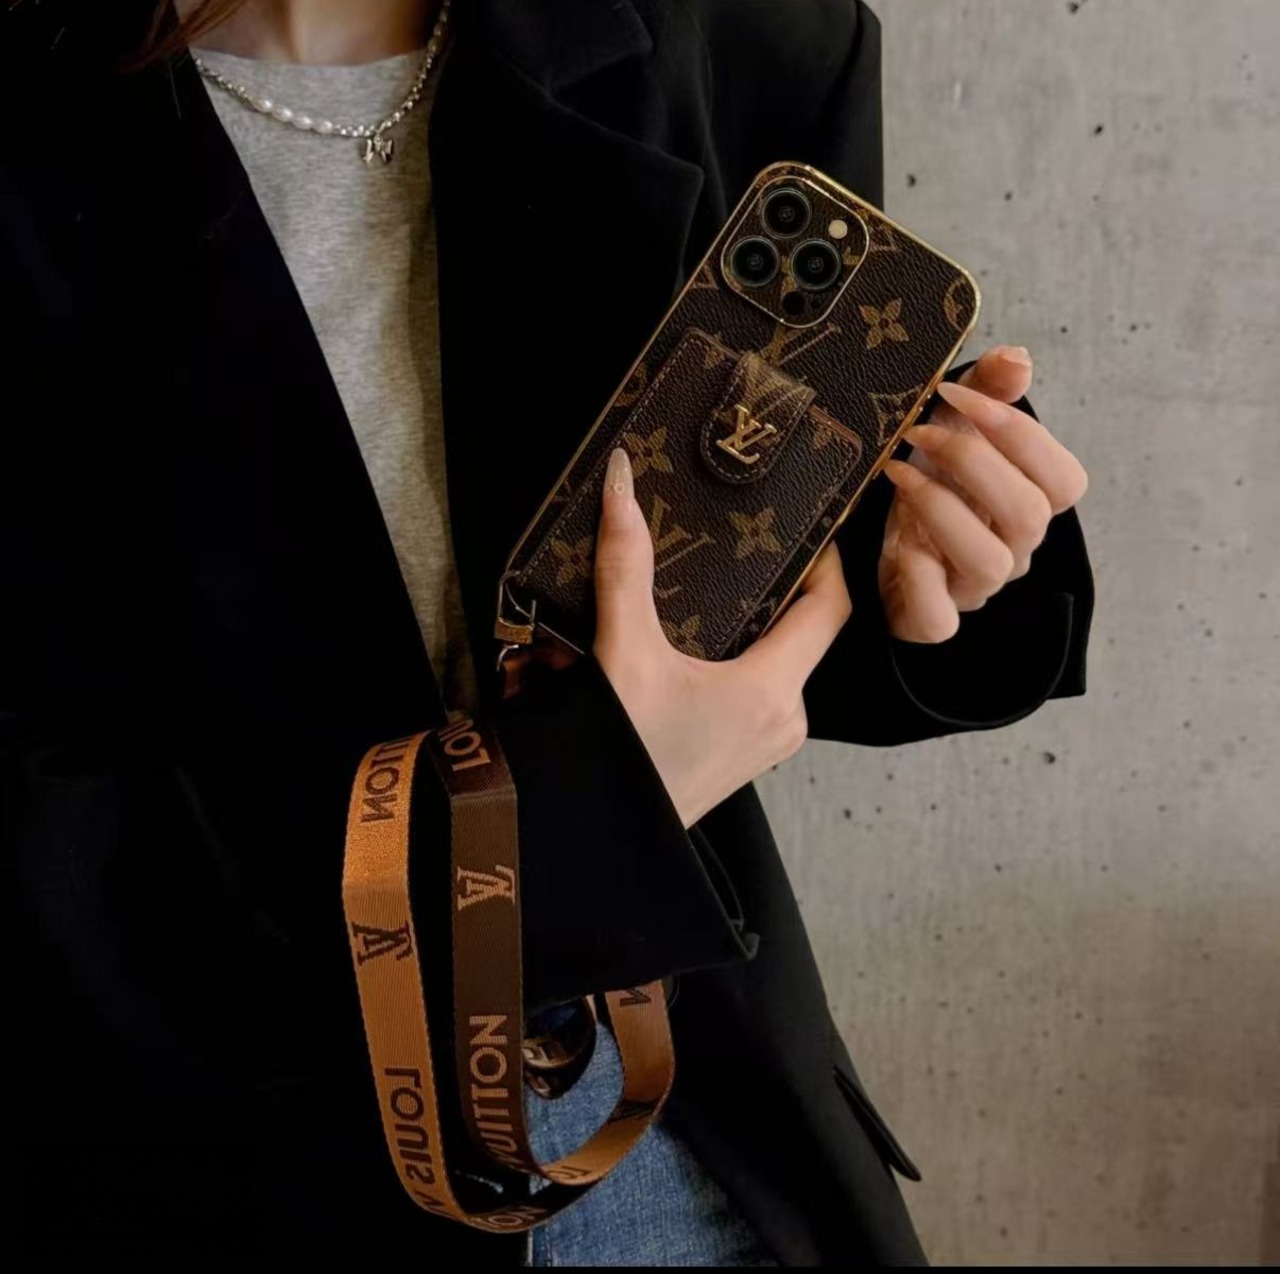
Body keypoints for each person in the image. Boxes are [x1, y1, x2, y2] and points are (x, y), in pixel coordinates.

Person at [0, 0, 1092, 1264]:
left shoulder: (739, 38)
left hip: (691, 1154)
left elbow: (743, 579)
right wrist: (553, 823)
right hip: (208, 1161)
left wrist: (942, 554)